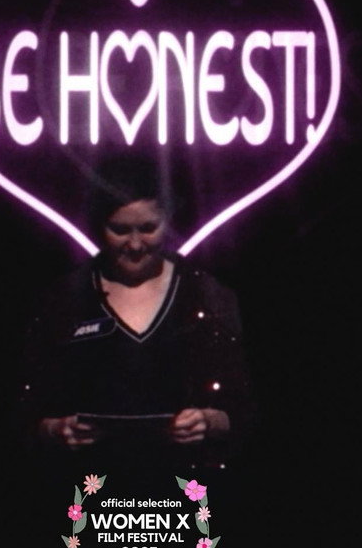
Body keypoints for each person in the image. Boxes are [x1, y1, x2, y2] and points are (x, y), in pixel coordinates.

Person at [21, 155, 254, 480]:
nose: (134, 245)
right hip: (89, 489)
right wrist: (54, 430)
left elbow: (246, 409)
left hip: (184, 488)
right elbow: (25, 409)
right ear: (99, 226)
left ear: (168, 221)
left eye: (148, 229)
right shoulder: (65, 298)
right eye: (119, 230)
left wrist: (209, 422)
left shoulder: (207, 294)